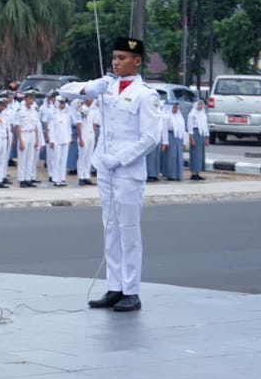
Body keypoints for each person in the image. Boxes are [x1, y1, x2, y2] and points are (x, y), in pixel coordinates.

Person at [60, 37, 163, 313]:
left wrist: (120, 158)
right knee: (110, 229)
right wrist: (89, 87)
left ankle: (132, 290)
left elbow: (151, 138)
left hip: (128, 171)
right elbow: (65, 91)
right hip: (105, 168)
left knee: (129, 231)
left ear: (137, 61)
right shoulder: (106, 87)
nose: (116, 62)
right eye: (114, 57)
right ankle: (115, 287)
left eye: (122, 58)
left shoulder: (146, 95)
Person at [14, 91, 42, 188]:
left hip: (32, 134)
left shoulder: (34, 110)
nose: (31, 100)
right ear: (25, 99)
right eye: (29, 98)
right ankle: (22, 179)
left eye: (32, 98)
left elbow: (36, 126)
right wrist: (20, 140)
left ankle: (28, 178)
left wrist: (37, 139)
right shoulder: (20, 110)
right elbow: (17, 126)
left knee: (30, 158)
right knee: (23, 158)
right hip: (24, 134)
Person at [159, 98, 188, 182]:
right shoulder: (167, 117)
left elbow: (183, 129)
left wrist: (184, 141)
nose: (175, 109)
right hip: (170, 137)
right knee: (171, 157)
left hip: (178, 139)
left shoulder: (180, 117)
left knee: (178, 157)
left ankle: (178, 174)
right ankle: (170, 174)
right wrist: (165, 142)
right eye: (174, 107)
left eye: (177, 107)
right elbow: (164, 130)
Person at [76, 97, 98, 187]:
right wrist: (80, 138)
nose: (91, 100)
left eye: (91, 98)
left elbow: (94, 123)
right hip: (83, 134)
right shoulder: (81, 109)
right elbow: (78, 124)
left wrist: (94, 135)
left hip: (90, 135)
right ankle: (81, 177)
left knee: (89, 157)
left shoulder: (93, 109)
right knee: (82, 156)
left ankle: (86, 176)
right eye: (89, 98)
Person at [186, 96, 208, 181]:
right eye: (199, 104)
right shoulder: (192, 114)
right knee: (195, 154)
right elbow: (190, 127)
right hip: (195, 134)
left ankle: (198, 172)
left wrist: (206, 137)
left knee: (200, 154)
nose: (200, 106)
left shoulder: (203, 114)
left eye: (202, 104)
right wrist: (192, 138)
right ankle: (193, 173)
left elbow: (205, 126)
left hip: (201, 134)